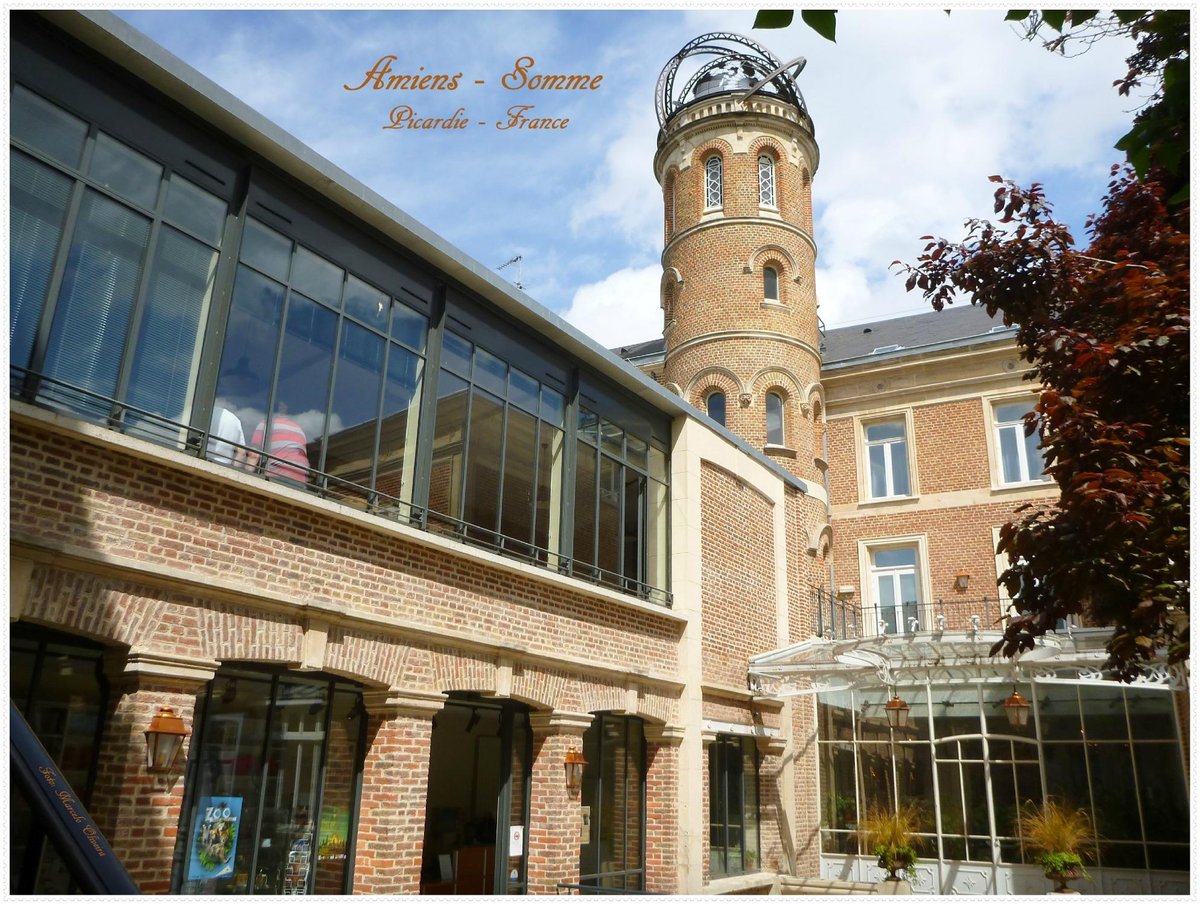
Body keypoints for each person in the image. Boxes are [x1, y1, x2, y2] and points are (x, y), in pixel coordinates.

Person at [249, 401, 310, 489]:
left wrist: (247, 476)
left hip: (276, 476)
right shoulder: (299, 429)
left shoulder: (266, 424)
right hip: (300, 479)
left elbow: (253, 455)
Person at [208, 403, 247, 468]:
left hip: (200, 459)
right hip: (223, 466)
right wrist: (233, 470)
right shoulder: (235, 421)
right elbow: (241, 452)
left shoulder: (206, 411)